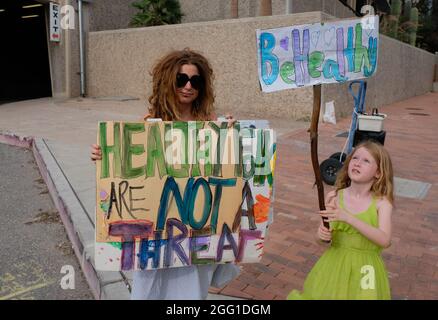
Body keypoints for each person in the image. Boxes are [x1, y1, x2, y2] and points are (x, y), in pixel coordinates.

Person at [91, 48, 238, 299]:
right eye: (181, 79)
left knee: (191, 292)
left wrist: (235, 136)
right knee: (151, 291)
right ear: (169, 82)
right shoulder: (149, 125)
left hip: (194, 233)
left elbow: (228, 174)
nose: (188, 86)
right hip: (156, 239)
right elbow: (130, 178)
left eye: (195, 80)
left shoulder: (212, 124)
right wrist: (105, 158)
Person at [287, 140, 394, 300]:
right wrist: (321, 235)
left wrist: (348, 218)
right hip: (335, 265)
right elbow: (322, 236)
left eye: (366, 161)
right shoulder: (335, 196)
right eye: (355, 158)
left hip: (366, 270)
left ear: (378, 173)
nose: (357, 163)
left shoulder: (381, 203)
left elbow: (384, 240)